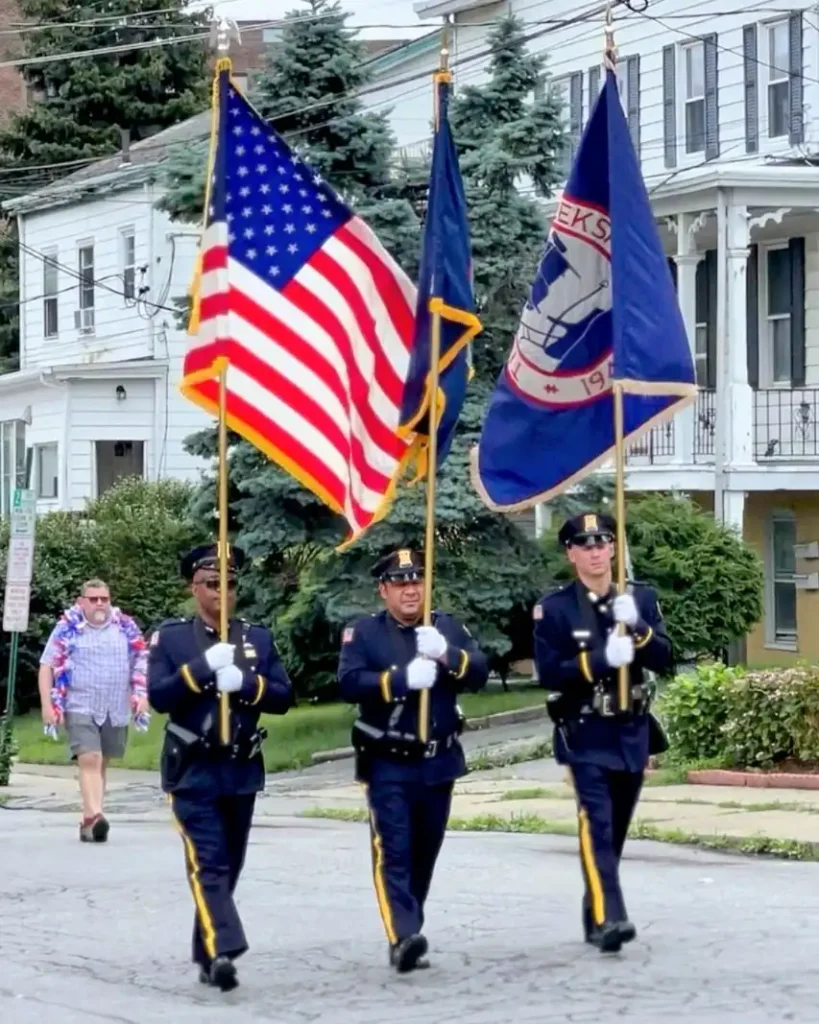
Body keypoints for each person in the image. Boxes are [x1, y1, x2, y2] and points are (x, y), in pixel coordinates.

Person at [147, 543, 293, 992]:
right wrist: (200, 670)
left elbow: (284, 697)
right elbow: (159, 697)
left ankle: (207, 951)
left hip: (241, 767)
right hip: (193, 769)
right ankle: (226, 946)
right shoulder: (172, 638)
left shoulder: (256, 638)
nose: (222, 592)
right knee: (208, 861)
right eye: (212, 583)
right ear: (194, 588)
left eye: (230, 583)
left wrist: (246, 684)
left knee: (229, 864)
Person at [337, 547, 489, 973]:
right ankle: (402, 935)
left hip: (438, 761)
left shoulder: (446, 627)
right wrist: (400, 680)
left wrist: (448, 655)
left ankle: (409, 926)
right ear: (384, 590)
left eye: (418, 581)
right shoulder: (364, 633)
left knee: (425, 850)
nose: (411, 590)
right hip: (388, 760)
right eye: (401, 583)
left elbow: (478, 671)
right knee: (394, 850)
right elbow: (349, 683)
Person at [532, 512, 673, 954]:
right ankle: (613, 916)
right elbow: (548, 672)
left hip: (631, 730)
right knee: (598, 823)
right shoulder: (554, 608)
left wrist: (641, 631)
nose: (595, 551)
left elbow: (666, 657)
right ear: (571, 554)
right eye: (585, 545)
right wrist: (597, 660)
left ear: (613, 548)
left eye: (602, 542)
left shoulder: (640, 598)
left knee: (615, 831)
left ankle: (595, 909)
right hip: (585, 731)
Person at [38, 578, 149, 843]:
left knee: (102, 763)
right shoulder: (67, 628)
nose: (100, 603)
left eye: (104, 599)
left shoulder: (125, 628)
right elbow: (46, 666)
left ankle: (88, 821)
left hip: (115, 706)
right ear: (81, 602)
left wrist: (141, 696)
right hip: (79, 704)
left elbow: (141, 663)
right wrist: (47, 705)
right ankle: (97, 815)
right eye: (93, 599)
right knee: (90, 759)